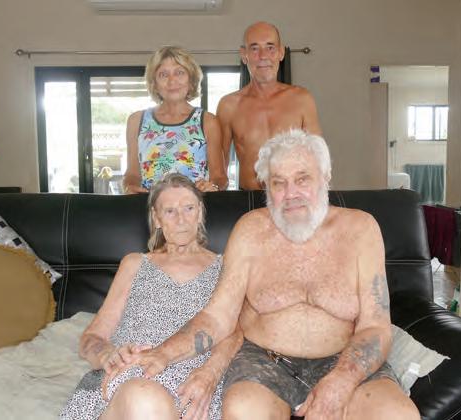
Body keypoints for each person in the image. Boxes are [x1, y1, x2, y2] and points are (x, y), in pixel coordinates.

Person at [125, 130, 420, 419]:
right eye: (278, 183)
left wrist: (341, 381)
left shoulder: (361, 230)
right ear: (266, 187)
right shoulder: (250, 230)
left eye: (302, 179)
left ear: (326, 177)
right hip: (263, 360)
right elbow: (218, 316)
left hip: (344, 359)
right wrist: (163, 353)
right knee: (243, 412)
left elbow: (375, 326)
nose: (291, 194)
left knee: (397, 415)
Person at [61, 173, 242, 420]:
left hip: (194, 384)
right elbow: (92, 337)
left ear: (200, 212)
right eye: (170, 211)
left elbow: (237, 333)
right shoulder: (135, 264)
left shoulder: (226, 268)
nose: (181, 219)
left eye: (189, 208)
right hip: (132, 375)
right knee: (144, 397)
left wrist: (210, 373)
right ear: (156, 218)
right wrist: (106, 354)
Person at [216, 21, 322, 190]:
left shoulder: (302, 100)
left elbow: (318, 159)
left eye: (270, 47)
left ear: (281, 52)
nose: (263, 56)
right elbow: (218, 170)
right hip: (249, 198)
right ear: (244, 54)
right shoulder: (229, 106)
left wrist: (320, 200)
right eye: (254, 48)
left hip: (294, 196)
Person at [123, 46, 227, 194]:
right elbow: (132, 175)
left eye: (179, 73)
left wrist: (213, 186)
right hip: (149, 206)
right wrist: (130, 186)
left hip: (193, 206)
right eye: (163, 74)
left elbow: (220, 178)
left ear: (191, 79)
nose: (172, 81)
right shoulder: (136, 121)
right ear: (154, 83)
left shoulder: (208, 121)